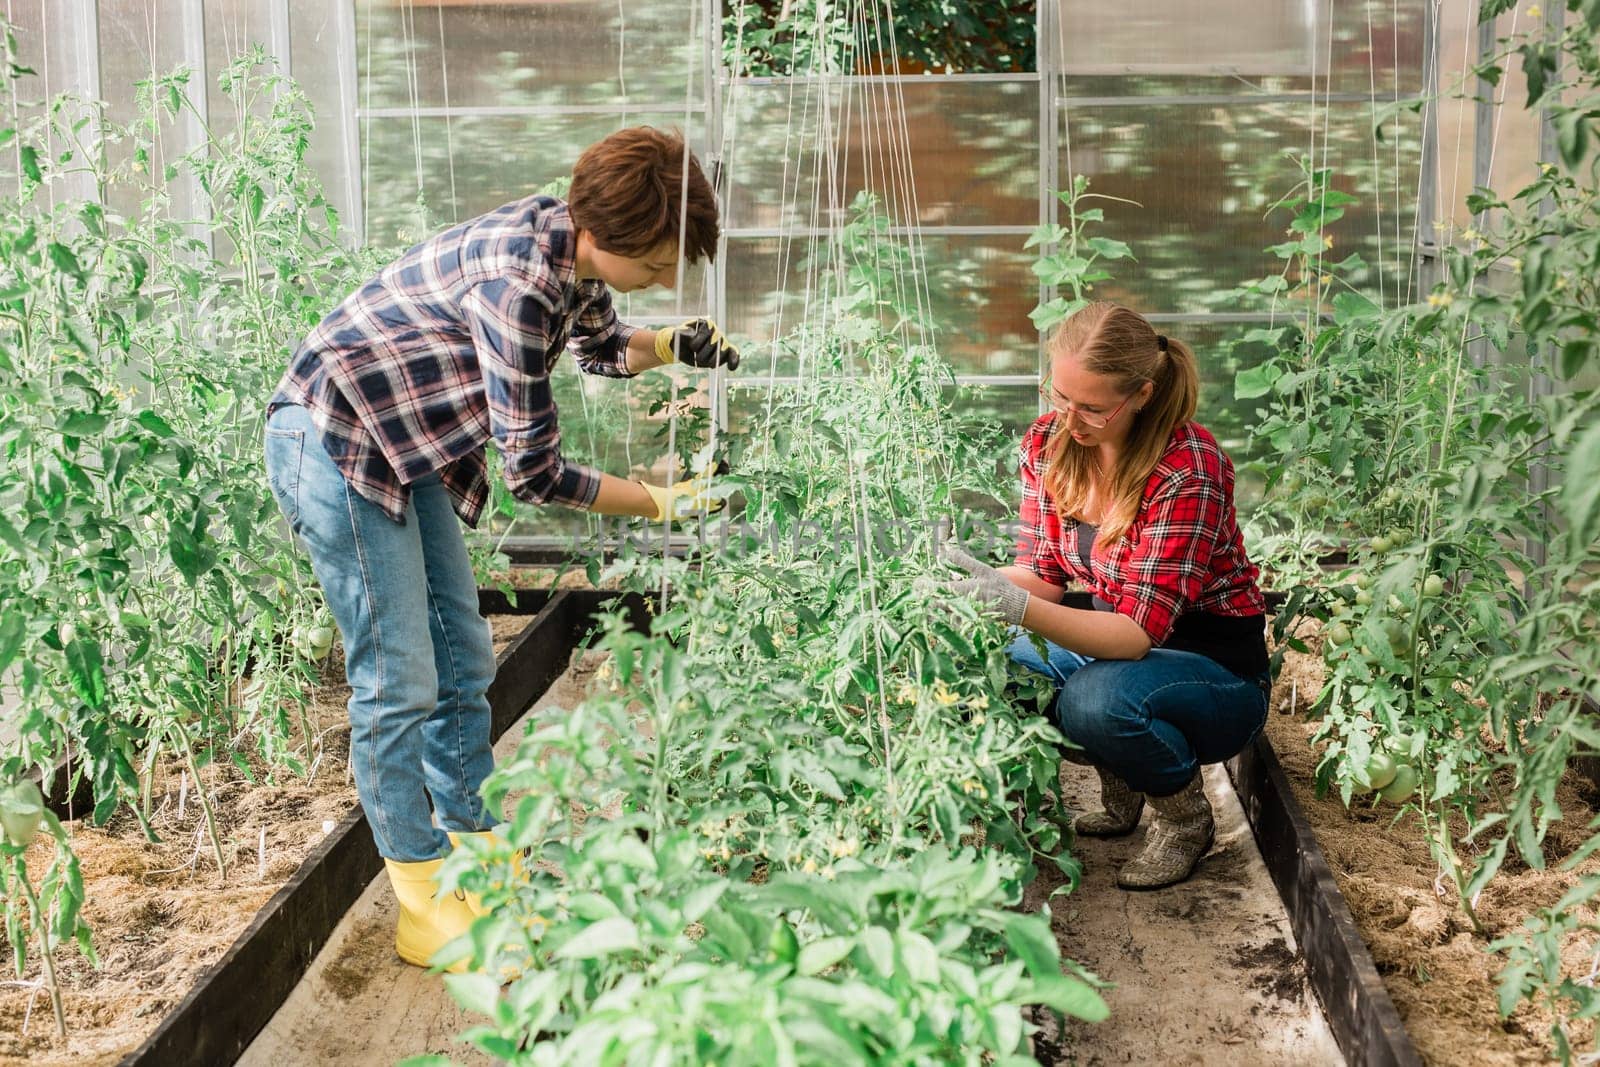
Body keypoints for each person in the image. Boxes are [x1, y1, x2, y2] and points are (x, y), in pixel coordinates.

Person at [262, 126, 736, 969]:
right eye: (660, 265)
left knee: (461, 649)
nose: (667, 278)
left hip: (408, 444)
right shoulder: (518, 282)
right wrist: (660, 501)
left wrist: (667, 346)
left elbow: (595, 344)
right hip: (335, 439)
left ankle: (477, 851)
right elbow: (536, 472)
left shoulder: (565, 250)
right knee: (398, 673)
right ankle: (419, 895)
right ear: (608, 236)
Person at [942, 302, 1269, 890]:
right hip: (1116, 641)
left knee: (1093, 702)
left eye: (1091, 407)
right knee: (990, 659)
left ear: (1142, 395)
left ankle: (1184, 819)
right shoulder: (1049, 443)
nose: (1070, 418)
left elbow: (1133, 633)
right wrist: (971, 584)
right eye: (1060, 396)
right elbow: (1041, 575)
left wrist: (1017, 609)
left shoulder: (1187, 469)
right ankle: (1120, 778)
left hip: (1213, 672)